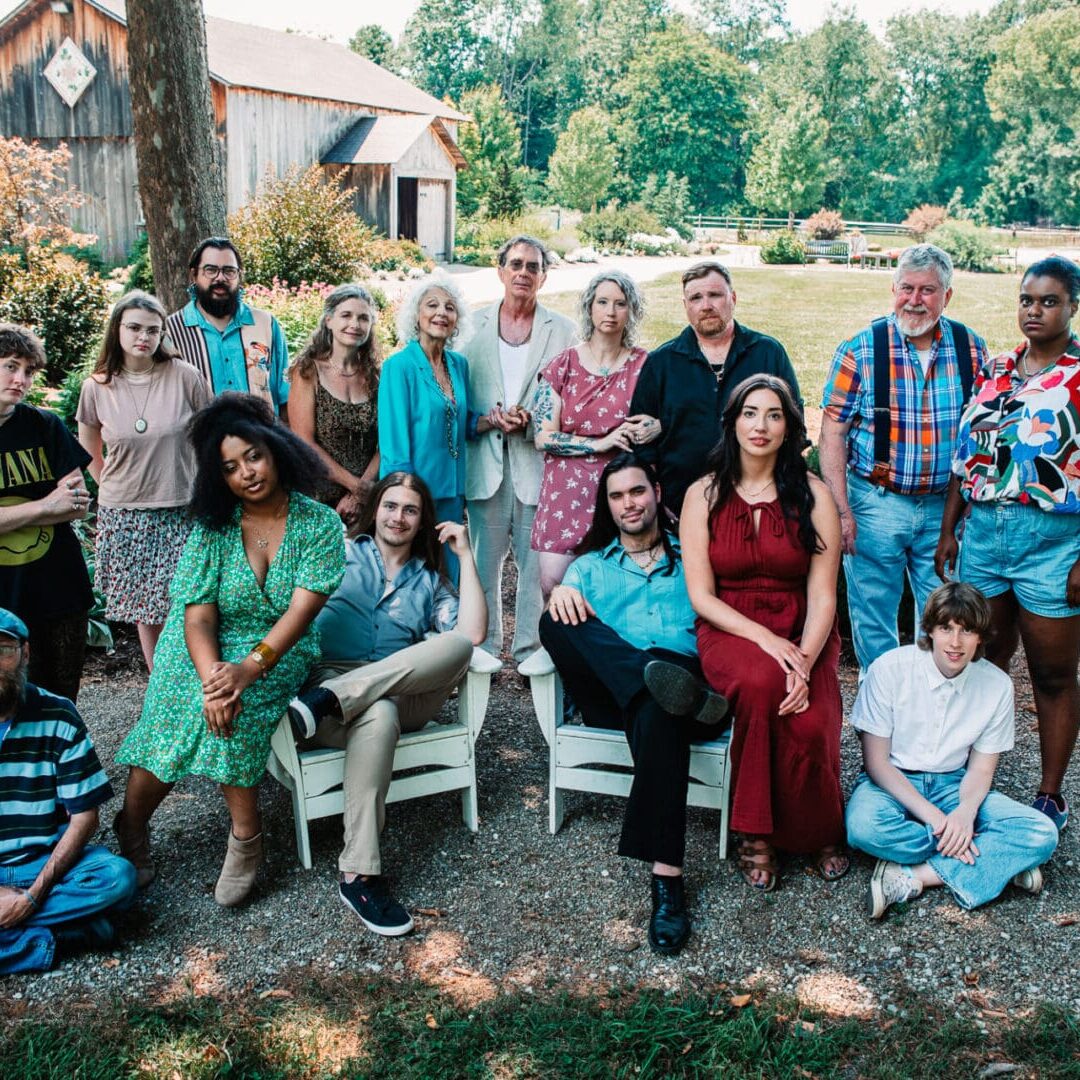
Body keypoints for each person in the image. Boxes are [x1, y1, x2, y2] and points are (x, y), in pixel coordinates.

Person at [113, 394, 345, 906]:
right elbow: (197, 616)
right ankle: (131, 828)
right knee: (176, 715)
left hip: (277, 645)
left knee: (234, 717)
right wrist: (213, 679)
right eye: (230, 467)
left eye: (254, 456)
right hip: (200, 642)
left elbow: (299, 613)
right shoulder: (213, 527)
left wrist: (247, 671)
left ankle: (246, 839)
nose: (247, 473)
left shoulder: (319, 524)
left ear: (277, 450)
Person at [539, 453, 728, 956]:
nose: (629, 503)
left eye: (637, 491)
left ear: (658, 493)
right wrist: (559, 598)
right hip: (610, 691)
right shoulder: (589, 568)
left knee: (662, 705)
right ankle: (651, 682)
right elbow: (565, 626)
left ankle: (667, 882)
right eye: (617, 495)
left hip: (679, 682)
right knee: (555, 620)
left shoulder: (693, 562)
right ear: (607, 504)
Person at [285, 472, 486, 935]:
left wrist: (465, 556)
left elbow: (472, 634)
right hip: (334, 687)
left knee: (457, 646)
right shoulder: (337, 555)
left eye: (411, 510)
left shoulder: (430, 582)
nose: (399, 517)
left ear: (422, 522)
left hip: (373, 697)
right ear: (375, 510)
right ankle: (358, 876)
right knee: (378, 712)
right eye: (391, 506)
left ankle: (331, 699)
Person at [680, 374, 846, 891]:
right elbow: (702, 596)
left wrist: (804, 658)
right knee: (759, 685)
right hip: (730, 626)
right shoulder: (702, 494)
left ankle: (817, 828)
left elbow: (823, 595)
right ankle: (755, 831)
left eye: (774, 415)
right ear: (732, 423)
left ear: (790, 427)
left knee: (814, 716)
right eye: (750, 413)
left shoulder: (814, 496)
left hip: (804, 627)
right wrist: (769, 643)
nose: (761, 425)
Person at [936, 256, 1080, 832]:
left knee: (1051, 673)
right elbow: (965, 454)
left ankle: (1050, 794)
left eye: (1048, 301)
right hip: (985, 535)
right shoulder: (997, 368)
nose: (1035, 311)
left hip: (1054, 541)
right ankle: (968, 779)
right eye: (1027, 300)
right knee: (980, 662)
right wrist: (950, 529)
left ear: (1072, 306)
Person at [819, 243, 988, 674]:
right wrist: (842, 511)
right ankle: (882, 716)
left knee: (942, 619)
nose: (914, 300)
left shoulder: (972, 349)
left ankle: (930, 712)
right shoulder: (860, 348)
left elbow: (982, 437)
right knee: (873, 617)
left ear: (947, 296)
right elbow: (832, 434)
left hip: (943, 510)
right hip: (876, 502)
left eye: (927, 290)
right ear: (893, 288)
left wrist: (967, 510)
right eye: (906, 288)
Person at [846, 583, 1058, 918]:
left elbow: (981, 769)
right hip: (892, 781)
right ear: (929, 629)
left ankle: (913, 877)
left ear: (981, 637)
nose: (955, 643)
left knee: (1042, 832)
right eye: (946, 628)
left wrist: (965, 813)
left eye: (967, 630)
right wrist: (942, 822)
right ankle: (998, 861)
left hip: (954, 785)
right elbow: (876, 763)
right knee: (863, 826)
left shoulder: (996, 685)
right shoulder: (890, 668)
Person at [77, 291, 211, 670]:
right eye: (135, 327)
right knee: (145, 608)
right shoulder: (97, 386)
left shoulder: (185, 376)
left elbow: (212, 435)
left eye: (153, 330)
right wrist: (111, 487)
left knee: (185, 602)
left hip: (181, 507)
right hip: (125, 513)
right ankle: (158, 686)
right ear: (117, 329)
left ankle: (191, 679)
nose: (144, 337)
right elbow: (88, 446)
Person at [0, 609, 138, 975]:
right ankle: (63, 936)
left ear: (25, 654)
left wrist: (31, 898)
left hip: (44, 861)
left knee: (118, 878)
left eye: (4, 650)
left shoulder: (58, 714)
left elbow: (85, 818)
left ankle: (22, 929)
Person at [462, 235, 576, 665]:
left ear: (543, 277)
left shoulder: (562, 330)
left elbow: (569, 391)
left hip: (536, 460)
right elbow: (456, 392)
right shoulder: (470, 326)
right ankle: (485, 649)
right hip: (484, 458)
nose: (523, 273)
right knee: (483, 563)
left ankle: (530, 650)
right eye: (515, 264)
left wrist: (535, 418)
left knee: (534, 566)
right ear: (500, 271)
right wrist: (486, 417)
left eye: (532, 266)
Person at [629, 261, 800, 519]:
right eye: (696, 298)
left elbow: (794, 425)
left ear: (732, 298)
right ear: (685, 306)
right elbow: (641, 444)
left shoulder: (767, 353)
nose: (706, 305)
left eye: (715, 295)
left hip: (759, 505)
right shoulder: (662, 362)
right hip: (680, 506)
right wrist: (656, 496)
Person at [531, 270, 660, 596]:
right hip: (565, 492)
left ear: (631, 311)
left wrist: (655, 426)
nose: (611, 311)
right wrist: (598, 443)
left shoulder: (646, 364)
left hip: (620, 492)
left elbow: (664, 417)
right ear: (590, 307)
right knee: (554, 585)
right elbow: (543, 436)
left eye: (621, 303)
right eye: (603, 302)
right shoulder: (563, 365)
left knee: (616, 589)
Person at [0, 323, 93, 702]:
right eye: (10, 366)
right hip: (5, 594)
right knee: (6, 701)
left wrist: (56, 507)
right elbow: (57, 504)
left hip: (60, 587)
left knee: (60, 698)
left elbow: (77, 502)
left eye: (28, 371)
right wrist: (44, 506)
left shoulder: (45, 425)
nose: (21, 379)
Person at [288, 284, 380, 527]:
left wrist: (362, 495)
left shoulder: (378, 377)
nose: (355, 324)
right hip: (319, 497)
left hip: (366, 500)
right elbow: (303, 442)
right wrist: (355, 487)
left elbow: (385, 443)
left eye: (363, 318)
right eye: (346, 315)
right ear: (328, 320)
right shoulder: (308, 371)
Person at [165, 236, 290, 416]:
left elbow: (285, 396)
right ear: (194, 275)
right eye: (211, 270)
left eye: (229, 271)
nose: (220, 278)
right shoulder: (172, 331)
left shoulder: (266, 325)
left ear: (239, 275)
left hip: (262, 440)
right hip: (199, 442)